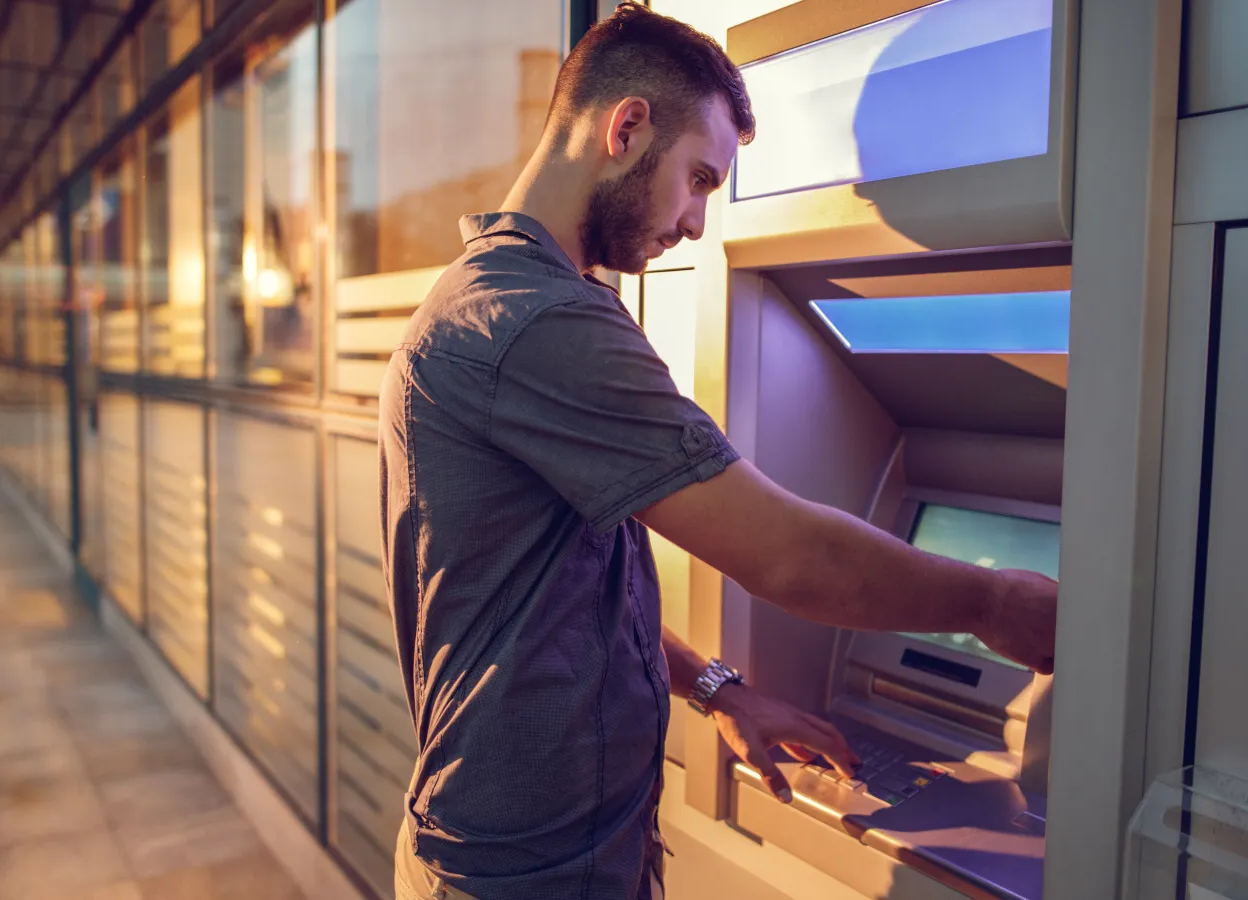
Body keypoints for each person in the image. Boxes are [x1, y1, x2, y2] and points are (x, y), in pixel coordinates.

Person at [377, 5, 1059, 899]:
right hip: (522, 879)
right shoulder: (537, 322)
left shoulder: (502, 300)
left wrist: (720, 691)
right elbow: (790, 554)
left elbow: (562, 596)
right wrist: (997, 600)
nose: (697, 222)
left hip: (530, 860)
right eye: (699, 178)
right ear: (626, 128)